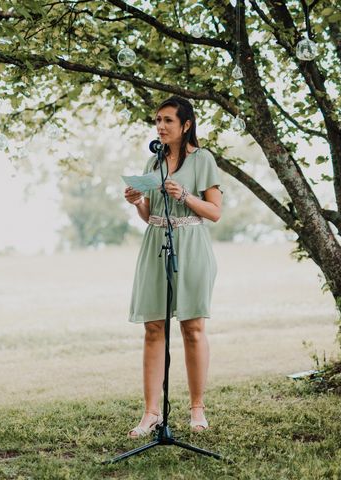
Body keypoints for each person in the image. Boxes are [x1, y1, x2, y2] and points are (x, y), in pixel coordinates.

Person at [123, 96, 222, 438]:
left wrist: (184, 196)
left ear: (186, 125)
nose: (161, 126)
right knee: (153, 328)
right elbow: (149, 214)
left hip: (191, 245)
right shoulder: (154, 161)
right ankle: (151, 412)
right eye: (158, 121)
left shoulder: (203, 159)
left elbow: (214, 212)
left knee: (192, 328)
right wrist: (137, 202)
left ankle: (197, 408)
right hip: (155, 244)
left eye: (167, 120)